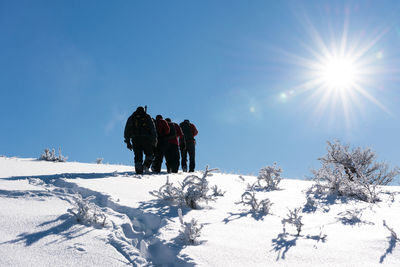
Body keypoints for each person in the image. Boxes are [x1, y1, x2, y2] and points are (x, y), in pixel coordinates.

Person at [124, 106, 157, 174]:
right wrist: (154, 140)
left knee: (138, 155)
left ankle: (139, 170)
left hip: (135, 139)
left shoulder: (132, 117)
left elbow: (127, 130)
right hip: (146, 139)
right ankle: (146, 165)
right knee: (150, 154)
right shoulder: (147, 117)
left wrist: (128, 142)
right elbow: (152, 129)